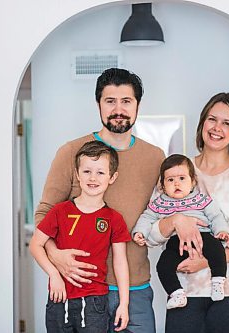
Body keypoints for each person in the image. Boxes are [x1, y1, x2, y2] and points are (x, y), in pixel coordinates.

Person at [34, 68, 166, 332]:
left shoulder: (155, 157)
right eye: (110, 101)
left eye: (126, 101)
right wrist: (55, 255)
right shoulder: (72, 152)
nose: (119, 109)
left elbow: (161, 215)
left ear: (137, 105)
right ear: (99, 105)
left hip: (135, 288)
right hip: (78, 290)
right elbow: (44, 214)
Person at [147, 92, 229, 333]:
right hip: (185, 291)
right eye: (212, 119)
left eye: (227, 123)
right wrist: (176, 220)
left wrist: (210, 260)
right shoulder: (179, 170)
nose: (217, 128)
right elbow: (151, 234)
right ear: (202, 122)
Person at [30, 141, 131, 332]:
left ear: (112, 177)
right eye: (87, 171)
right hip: (59, 297)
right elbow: (36, 245)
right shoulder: (60, 211)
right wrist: (53, 274)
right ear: (77, 175)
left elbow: (120, 262)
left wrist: (123, 305)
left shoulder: (114, 219)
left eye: (100, 172)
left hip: (95, 302)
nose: (93, 178)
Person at [132, 154, 229, 309]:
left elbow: (216, 216)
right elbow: (147, 217)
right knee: (163, 265)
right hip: (175, 243)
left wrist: (221, 231)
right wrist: (140, 232)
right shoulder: (160, 202)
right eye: (170, 180)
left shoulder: (201, 199)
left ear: (193, 182)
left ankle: (218, 281)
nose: (176, 183)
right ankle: (177, 293)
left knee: (217, 249)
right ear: (163, 185)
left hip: (202, 236)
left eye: (182, 178)